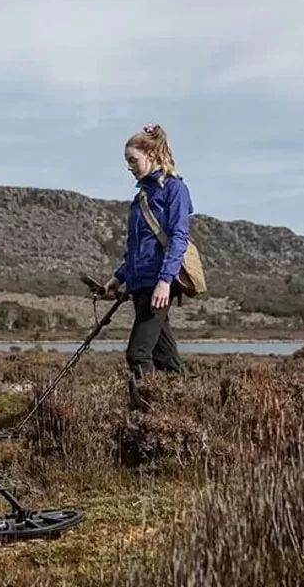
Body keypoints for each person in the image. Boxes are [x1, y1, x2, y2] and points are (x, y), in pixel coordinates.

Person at [101, 123, 192, 408]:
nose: (129, 166)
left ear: (151, 154)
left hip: (158, 284)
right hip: (141, 283)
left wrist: (165, 280)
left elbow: (179, 237)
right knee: (166, 357)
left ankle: (151, 415)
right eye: (127, 161)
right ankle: (189, 406)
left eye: (133, 160)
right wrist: (119, 277)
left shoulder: (174, 189)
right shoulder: (141, 197)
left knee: (138, 354)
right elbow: (137, 248)